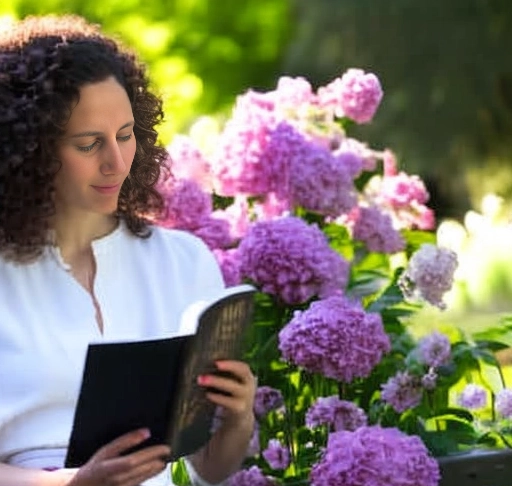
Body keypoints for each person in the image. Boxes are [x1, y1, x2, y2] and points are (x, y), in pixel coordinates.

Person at [0, 14, 256, 486]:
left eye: (125, 135)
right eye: (88, 144)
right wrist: (72, 485)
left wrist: (238, 419)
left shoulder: (184, 262)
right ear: (29, 151)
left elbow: (208, 471)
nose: (116, 162)